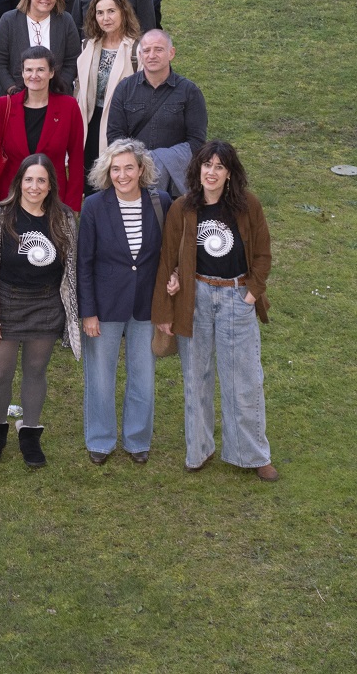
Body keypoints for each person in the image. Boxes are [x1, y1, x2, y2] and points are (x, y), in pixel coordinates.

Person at [152, 140, 276, 481]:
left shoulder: (248, 206)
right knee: (197, 378)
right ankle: (199, 450)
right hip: (195, 299)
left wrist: (251, 294)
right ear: (198, 169)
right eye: (207, 165)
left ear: (229, 173)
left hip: (237, 296)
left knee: (244, 380)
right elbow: (167, 259)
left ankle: (252, 454)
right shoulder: (182, 208)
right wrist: (165, 310)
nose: (212, 172)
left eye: (220, 166)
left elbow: (263, 255)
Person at [0, 153, 80, 470]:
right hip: (7, 301)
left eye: (41, 181)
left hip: (46, 304)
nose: (34, 186)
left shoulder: (64, 218)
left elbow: (71, 268)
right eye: (29, 179)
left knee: (36, 371)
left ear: (50, 186)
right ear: (19, 182)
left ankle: (30, 434)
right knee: (0, 372)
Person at [78, 138, 171, 465]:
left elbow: (169, 255)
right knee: (100, 378)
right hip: (104, 307)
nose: (122, 175)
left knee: (143, 377)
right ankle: (100, 440)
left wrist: (169, 294)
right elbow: (83, 263)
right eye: (115, 169)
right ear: (107, 171)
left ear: (141, 169)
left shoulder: (161, 202)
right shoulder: (93, 206)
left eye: (128, 167)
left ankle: (137, 440)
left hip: (146, 306)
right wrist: (88, 312)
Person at [0, 45, 85, 210]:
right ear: (23, 73)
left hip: (52, 199)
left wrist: (72, 206)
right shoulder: (4, 106)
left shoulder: (69, 107)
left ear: (51, 73)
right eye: (29, 70)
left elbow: (76, 157)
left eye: (40, 70)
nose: (34, 75)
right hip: (10, 197)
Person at [105, 29, 206, 196]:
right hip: (133, 180)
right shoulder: (124, 89)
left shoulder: (189, 92)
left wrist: (163, 161)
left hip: (175, 186)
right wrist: (138, 164)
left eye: (158, 49)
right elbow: (115, 136)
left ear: (171, 53)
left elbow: (197, 142)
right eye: (146, 50)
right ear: (140, 55)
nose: (152, 55)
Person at [74, 0, 142, 187]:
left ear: (123, 12)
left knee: (117, 176)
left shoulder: (137, 49)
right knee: (89, 179)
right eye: (100, 13)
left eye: (111, 11)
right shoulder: (87, 45)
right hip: (89, 121)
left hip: (120, 124)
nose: (105, 18)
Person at [0, 0, 80, 103]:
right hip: (13, 97)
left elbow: (72, 61)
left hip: (56, 98)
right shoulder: (9, 20)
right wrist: (13, 90)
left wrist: (58, 89)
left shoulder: (66, 21)